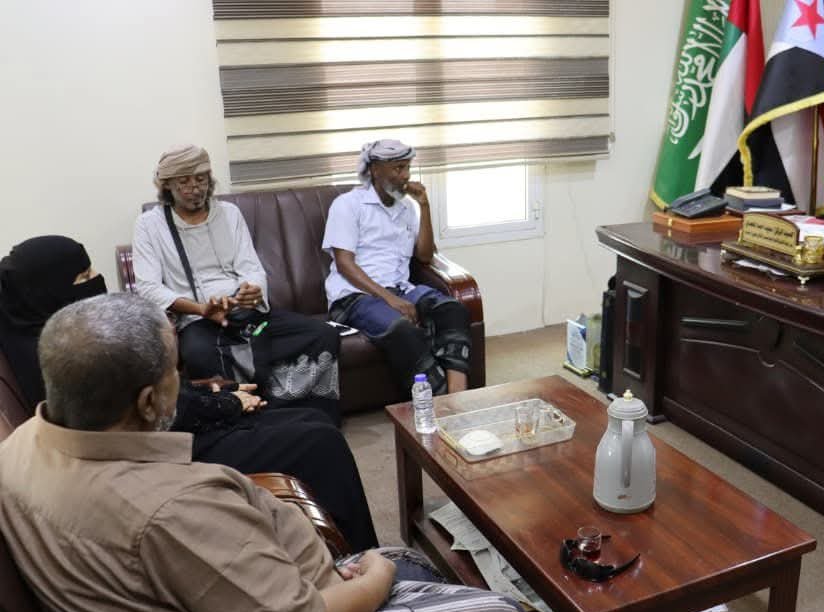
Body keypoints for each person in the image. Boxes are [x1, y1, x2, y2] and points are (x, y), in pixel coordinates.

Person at [0, 293, 547, 612]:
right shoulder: (169, 510)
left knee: (413, 564)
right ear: (147, 402)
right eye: (175, 372)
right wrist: (373, 579)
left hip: (239, 611)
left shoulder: (22, 444)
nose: (182, 383)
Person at [0, 235, 377, 551]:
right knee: (320, 442)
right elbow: (138, 411)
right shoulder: (60, 354)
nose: (96, 280)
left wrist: (211, 394)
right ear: (47, 290)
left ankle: (335, 546)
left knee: (311, 417)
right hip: (161, 454)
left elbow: (139, 397)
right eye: (84, 276)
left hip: (166, 429)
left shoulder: (44, 334)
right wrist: (225, 403)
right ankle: (361, 556)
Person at [133, 144, 342, 422]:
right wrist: (200, 309)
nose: (195, 188)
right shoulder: (149, 225)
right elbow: (148, 288)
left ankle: (302, 416)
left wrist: (251, 291)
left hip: (248, 316)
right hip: (198, 321)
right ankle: (245, 421)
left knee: (322, 334)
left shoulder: (229, 213)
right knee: (199, 354)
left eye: (201, 179)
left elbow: (251, 268)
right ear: (167, 185)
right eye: (184, 181)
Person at [322, 139, 472, 397]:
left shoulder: (407, 208)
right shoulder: (347, 205)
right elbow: (345, 264)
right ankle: (439, 404)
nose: (405, 176)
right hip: (355, 296)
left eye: (407, 168)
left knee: (452, 309)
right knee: (402, 329)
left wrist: (424, 205)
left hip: (401, 289)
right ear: (374, 170)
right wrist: (389, 299)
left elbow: (425, 255)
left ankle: (460, 396)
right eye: (398, 168)